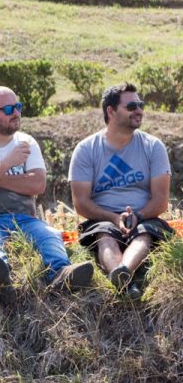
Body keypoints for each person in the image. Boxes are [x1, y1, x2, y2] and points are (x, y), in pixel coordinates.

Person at [0, 86, 93, 303]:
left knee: (49, 235)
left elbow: (37, 184)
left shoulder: (26, 143)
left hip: (24, 218)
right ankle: (0, 279)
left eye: (18, 107)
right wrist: (6, 163)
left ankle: (61, 274)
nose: (16, 113)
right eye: (9, 109)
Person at [69, 83, 173, 300]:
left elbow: (161, 200)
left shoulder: (153, 147)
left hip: (144, 216)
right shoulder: (86, 149)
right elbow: (81, 203)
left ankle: (123, 273)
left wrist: (138, 216)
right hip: (103, 218)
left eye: (140, 105)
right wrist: (113, 218)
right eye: (131, 106)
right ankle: (126, 281)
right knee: (104, 234)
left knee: (144, 233)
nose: (139, 110)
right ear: (111, 111)